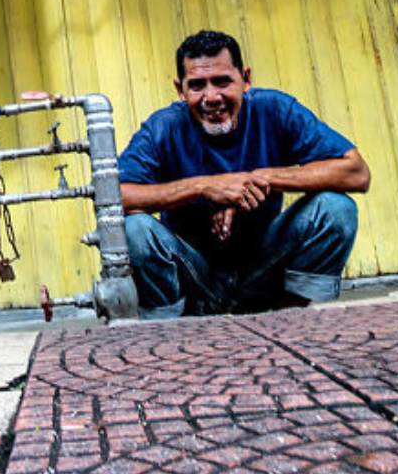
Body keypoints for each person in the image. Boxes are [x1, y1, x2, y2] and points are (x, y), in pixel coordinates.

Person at [118, 30, 371, 319]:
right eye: (197, 85)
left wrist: (257, 179)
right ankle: (168, 334)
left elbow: (355, 171)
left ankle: (287, 321)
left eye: (222, 82)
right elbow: (116, 197)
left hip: (262, 274)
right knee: (134, 228)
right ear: (180, 89)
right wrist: (204, 187)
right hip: (192, 281)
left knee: (336, 209)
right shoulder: (162, 127)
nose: (211, 97)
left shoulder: (275, 109)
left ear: (246, 79)